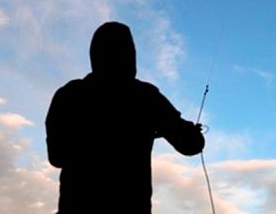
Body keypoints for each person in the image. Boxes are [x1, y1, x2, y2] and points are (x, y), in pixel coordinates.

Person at [46, 21, 205, 213]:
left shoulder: (69, 94)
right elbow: (191, 145)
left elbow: (56, 157)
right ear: (131, 55)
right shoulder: (146, 96)